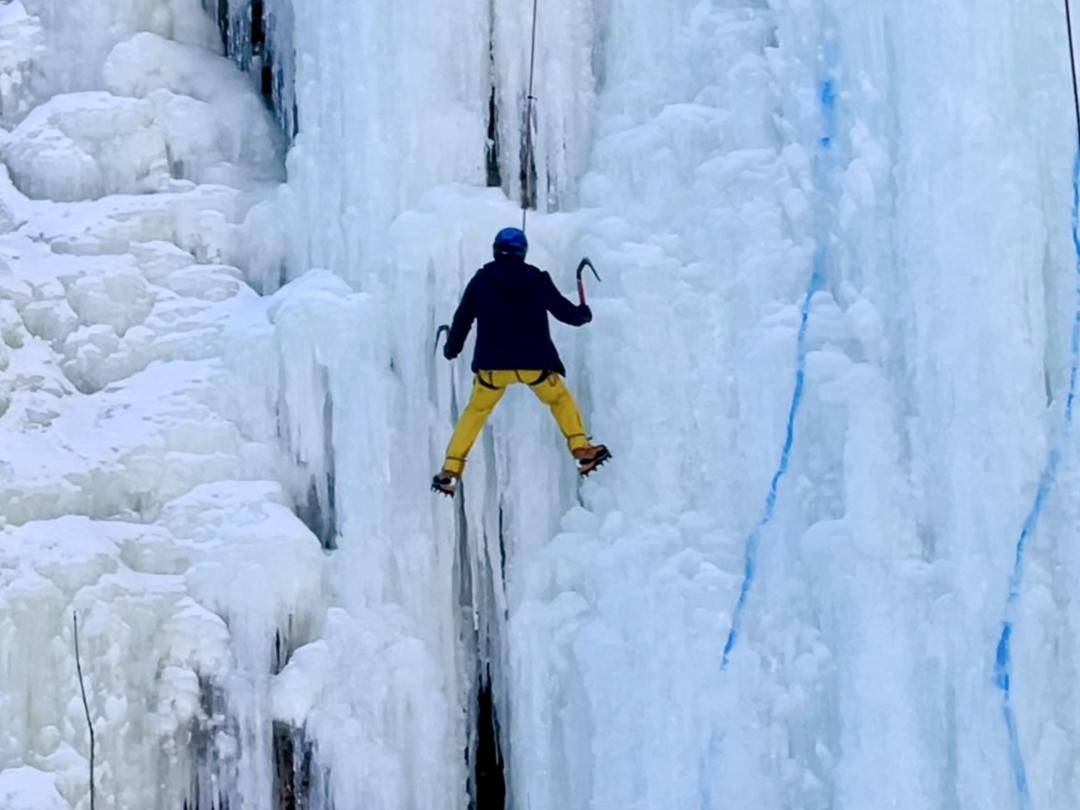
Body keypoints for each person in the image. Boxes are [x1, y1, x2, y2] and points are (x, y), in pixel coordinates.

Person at [432, 227, 610, 496]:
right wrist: (583, 314)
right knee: (559, 399)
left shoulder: (481, 280)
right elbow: (565, 313)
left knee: (475, 413)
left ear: (495, 249)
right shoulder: (536, 279)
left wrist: (451, 349)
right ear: (522, 253)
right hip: (535, 366)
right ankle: (581, 448)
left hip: (492, 370)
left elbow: (462, 319)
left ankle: (451, 470)